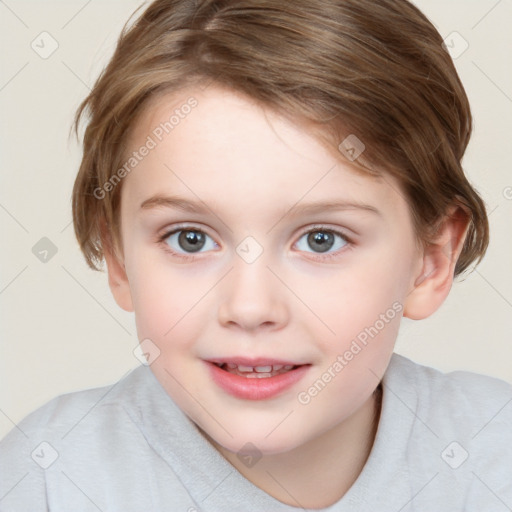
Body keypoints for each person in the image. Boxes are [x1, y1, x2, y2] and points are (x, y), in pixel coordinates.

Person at [1, 0, 511, 510]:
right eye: (190, 239)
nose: (250, 307)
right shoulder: (51, 480)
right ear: (117, 256)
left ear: (431, 259)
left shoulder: (494, 456)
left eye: (321, 240)